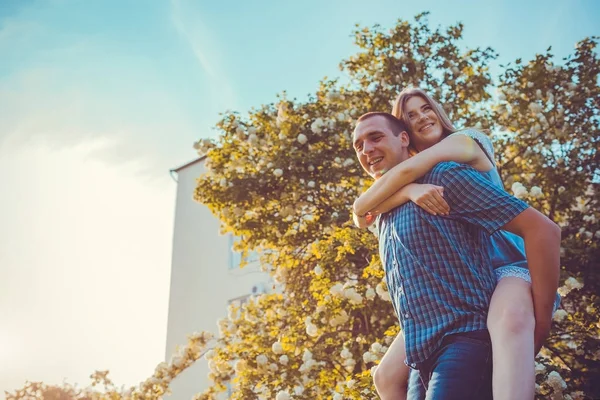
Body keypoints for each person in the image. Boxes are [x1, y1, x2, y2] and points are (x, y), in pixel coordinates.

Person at [352, 109, 560, 399]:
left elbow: (542, 230)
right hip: (422, 349)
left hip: (467, 331)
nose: (367, 149)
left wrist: (542, 319)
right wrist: (408, 191)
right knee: (385, 378)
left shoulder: (448, 168)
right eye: (358, 145)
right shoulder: (385, 208)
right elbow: (362, 212)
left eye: (375, 137)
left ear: (403, 138)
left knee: (511, 318)